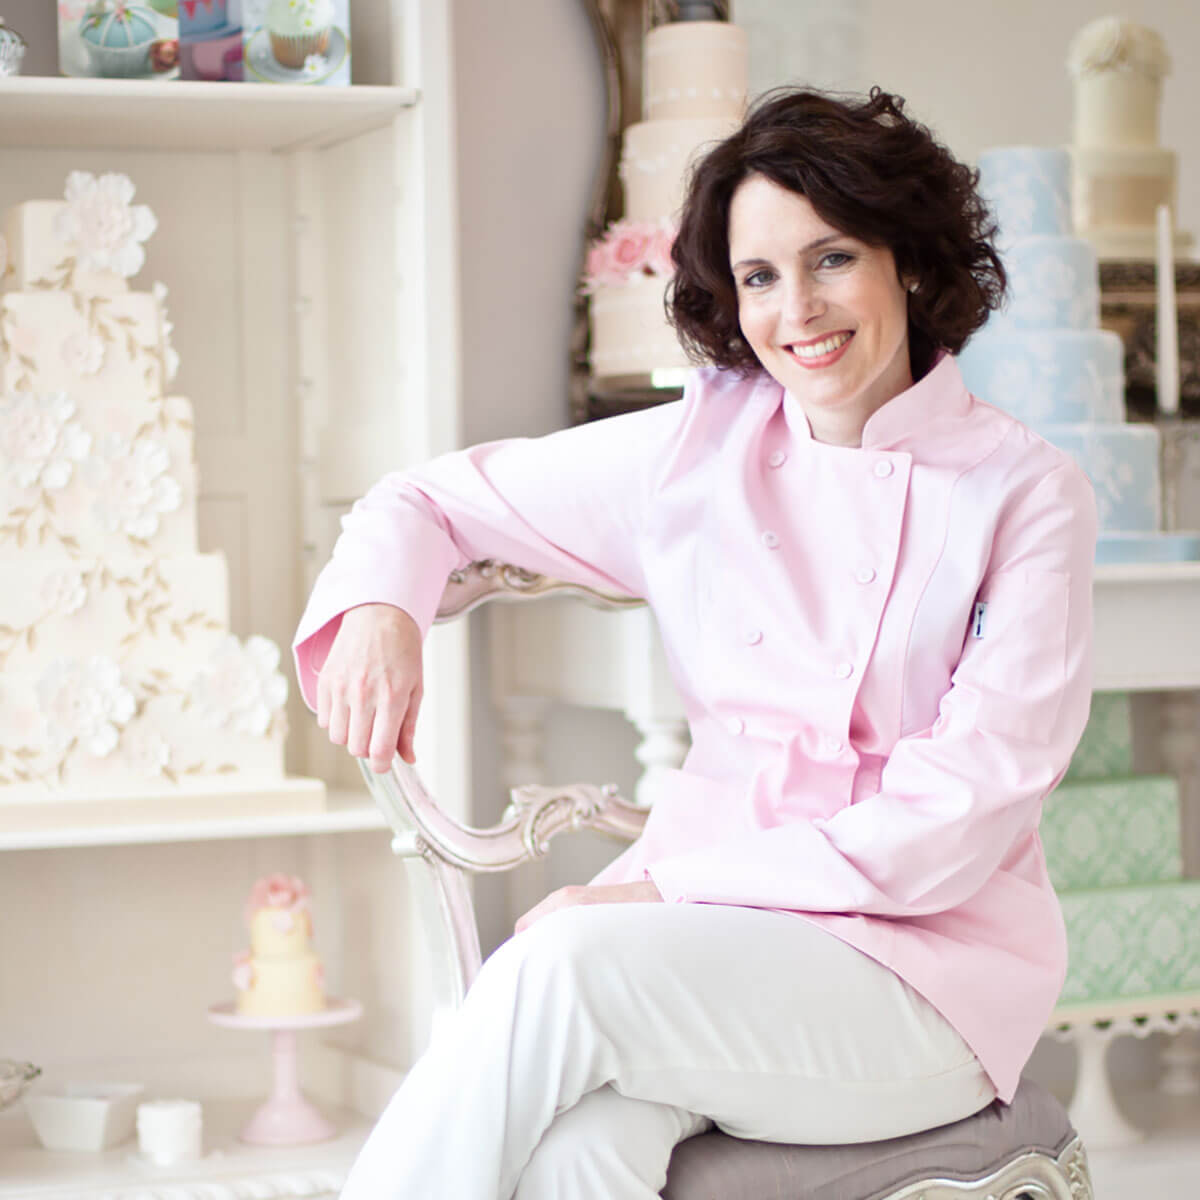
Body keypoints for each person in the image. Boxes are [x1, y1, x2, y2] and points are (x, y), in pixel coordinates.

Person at [293, 86, 1097, 1200]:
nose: (796, 310)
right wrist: (382, 609)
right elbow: (425, 501)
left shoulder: (1026, 492)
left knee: (558, 967)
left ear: (908, 260)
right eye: (758, 276)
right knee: (578, 1153)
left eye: (831, 259)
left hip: (926, 978)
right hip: (712, 950)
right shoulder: (706, 447)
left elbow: (957, 819)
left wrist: (663, 893)